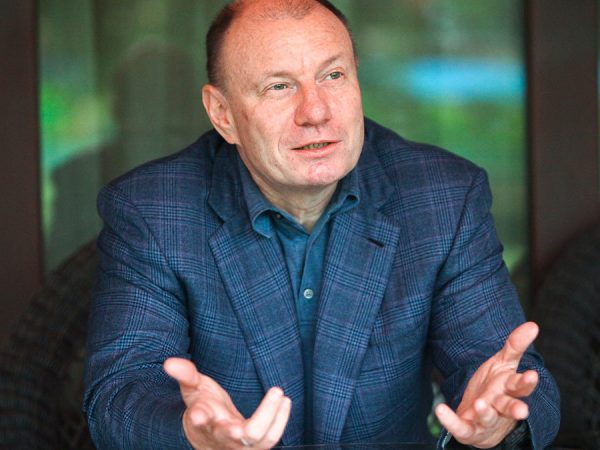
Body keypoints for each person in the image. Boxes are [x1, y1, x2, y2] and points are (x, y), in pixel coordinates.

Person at [83, 1, 560, 449]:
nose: (316, 111)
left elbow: (509, 379)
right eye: (279, 86)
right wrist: (190, 432)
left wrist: (501, 424)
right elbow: (118, 393)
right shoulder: (153, 210)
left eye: (333, 75)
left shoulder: (442, 197)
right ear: (223, 114)